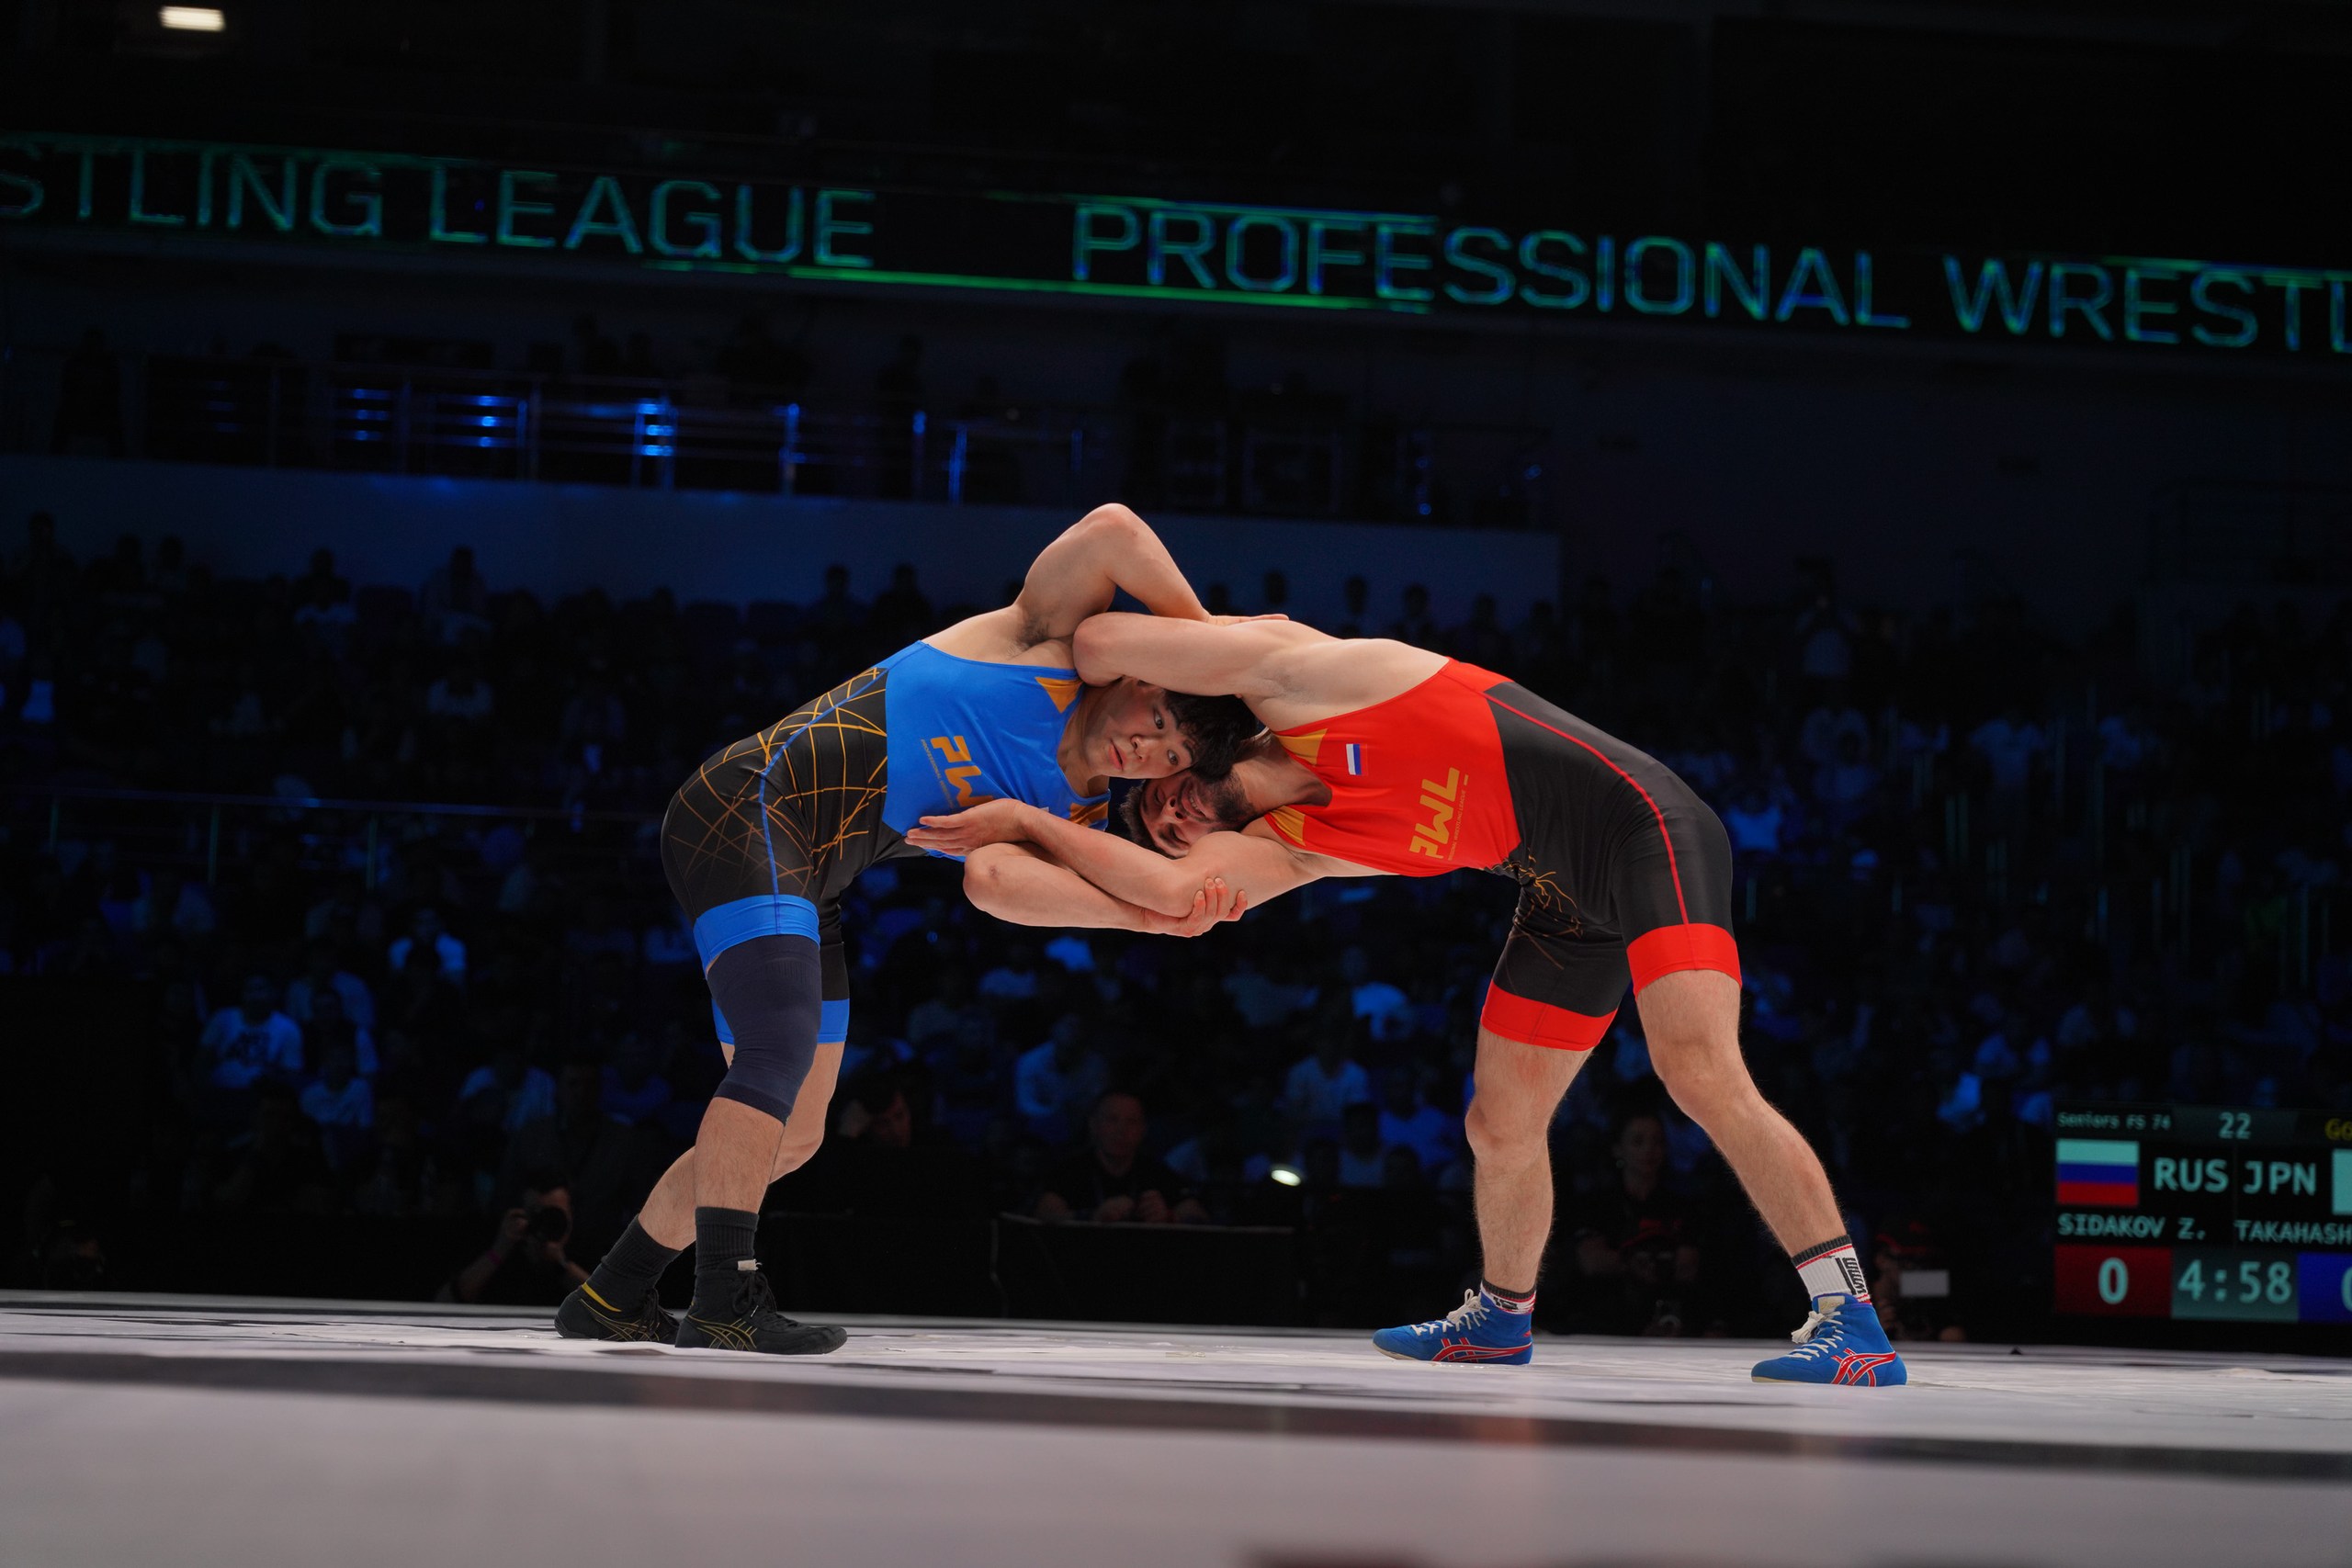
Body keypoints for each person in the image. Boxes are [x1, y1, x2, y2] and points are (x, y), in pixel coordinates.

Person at [910, 604, 1905, 1387]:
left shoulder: (1300, 678)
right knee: (1498, 1123)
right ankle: (1501, 1316)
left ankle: (1849, 1316)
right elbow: (1160, 897)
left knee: (1696, 1071)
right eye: (1161, 831)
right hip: (1559, 899)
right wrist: (1025, 825)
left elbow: (1098, 639)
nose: (1167, 813)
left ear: (1193, 747)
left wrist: (1200, 647)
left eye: (1164, 785)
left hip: (1645, 827)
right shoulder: (1292, 851)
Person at [555, 505, 1261, 1354]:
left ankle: (614, 1291)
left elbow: (993, 885)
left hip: (808, 878)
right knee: (776, 1050)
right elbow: (1112, 528)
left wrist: (1138, 909)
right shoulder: (1042, 645)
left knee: (798, 1130)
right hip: (748, 807)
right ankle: (724, 1298)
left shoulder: (1072, 818)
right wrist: (1207, 640)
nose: (1146, 749)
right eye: (1160, 721)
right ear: (1144, 677)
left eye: (1170, 757)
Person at [1035, 1092, 1207, 1224]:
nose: (1122, 1130)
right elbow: (1044, 1217)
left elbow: (1200, 1218)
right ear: (1093, 1125)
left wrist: (1170, 1217)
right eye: (1112, 1120)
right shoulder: (1069, 1170)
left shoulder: (1156, 1172)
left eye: (1132, 1122)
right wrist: (1091, 1216)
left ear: (1143, 1130)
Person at [451, 1174, 593, 1306]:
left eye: (554, 1214)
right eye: (536, 1213)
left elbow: (603, 1305)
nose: (545, 1222)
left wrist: (562, 1265)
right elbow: (450, 1299)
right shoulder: (501, 1246)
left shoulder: (586, 1249)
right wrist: (499, 1250)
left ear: (571, 1214)